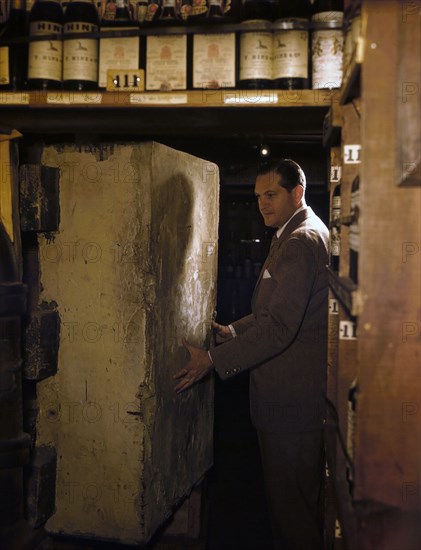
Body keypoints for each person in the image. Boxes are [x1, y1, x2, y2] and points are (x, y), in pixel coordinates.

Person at [174, 158, 329, 550]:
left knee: (293, 516)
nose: (262, 203)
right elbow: (271, 313)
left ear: (298, 193)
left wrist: (210, 360)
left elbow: (279, 328)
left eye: (271, 195)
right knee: (294, 509)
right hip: (292, 403)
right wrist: (234, 331)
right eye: (259, 196)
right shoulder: (292, 233)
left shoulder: (300, 242)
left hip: (291, 408)